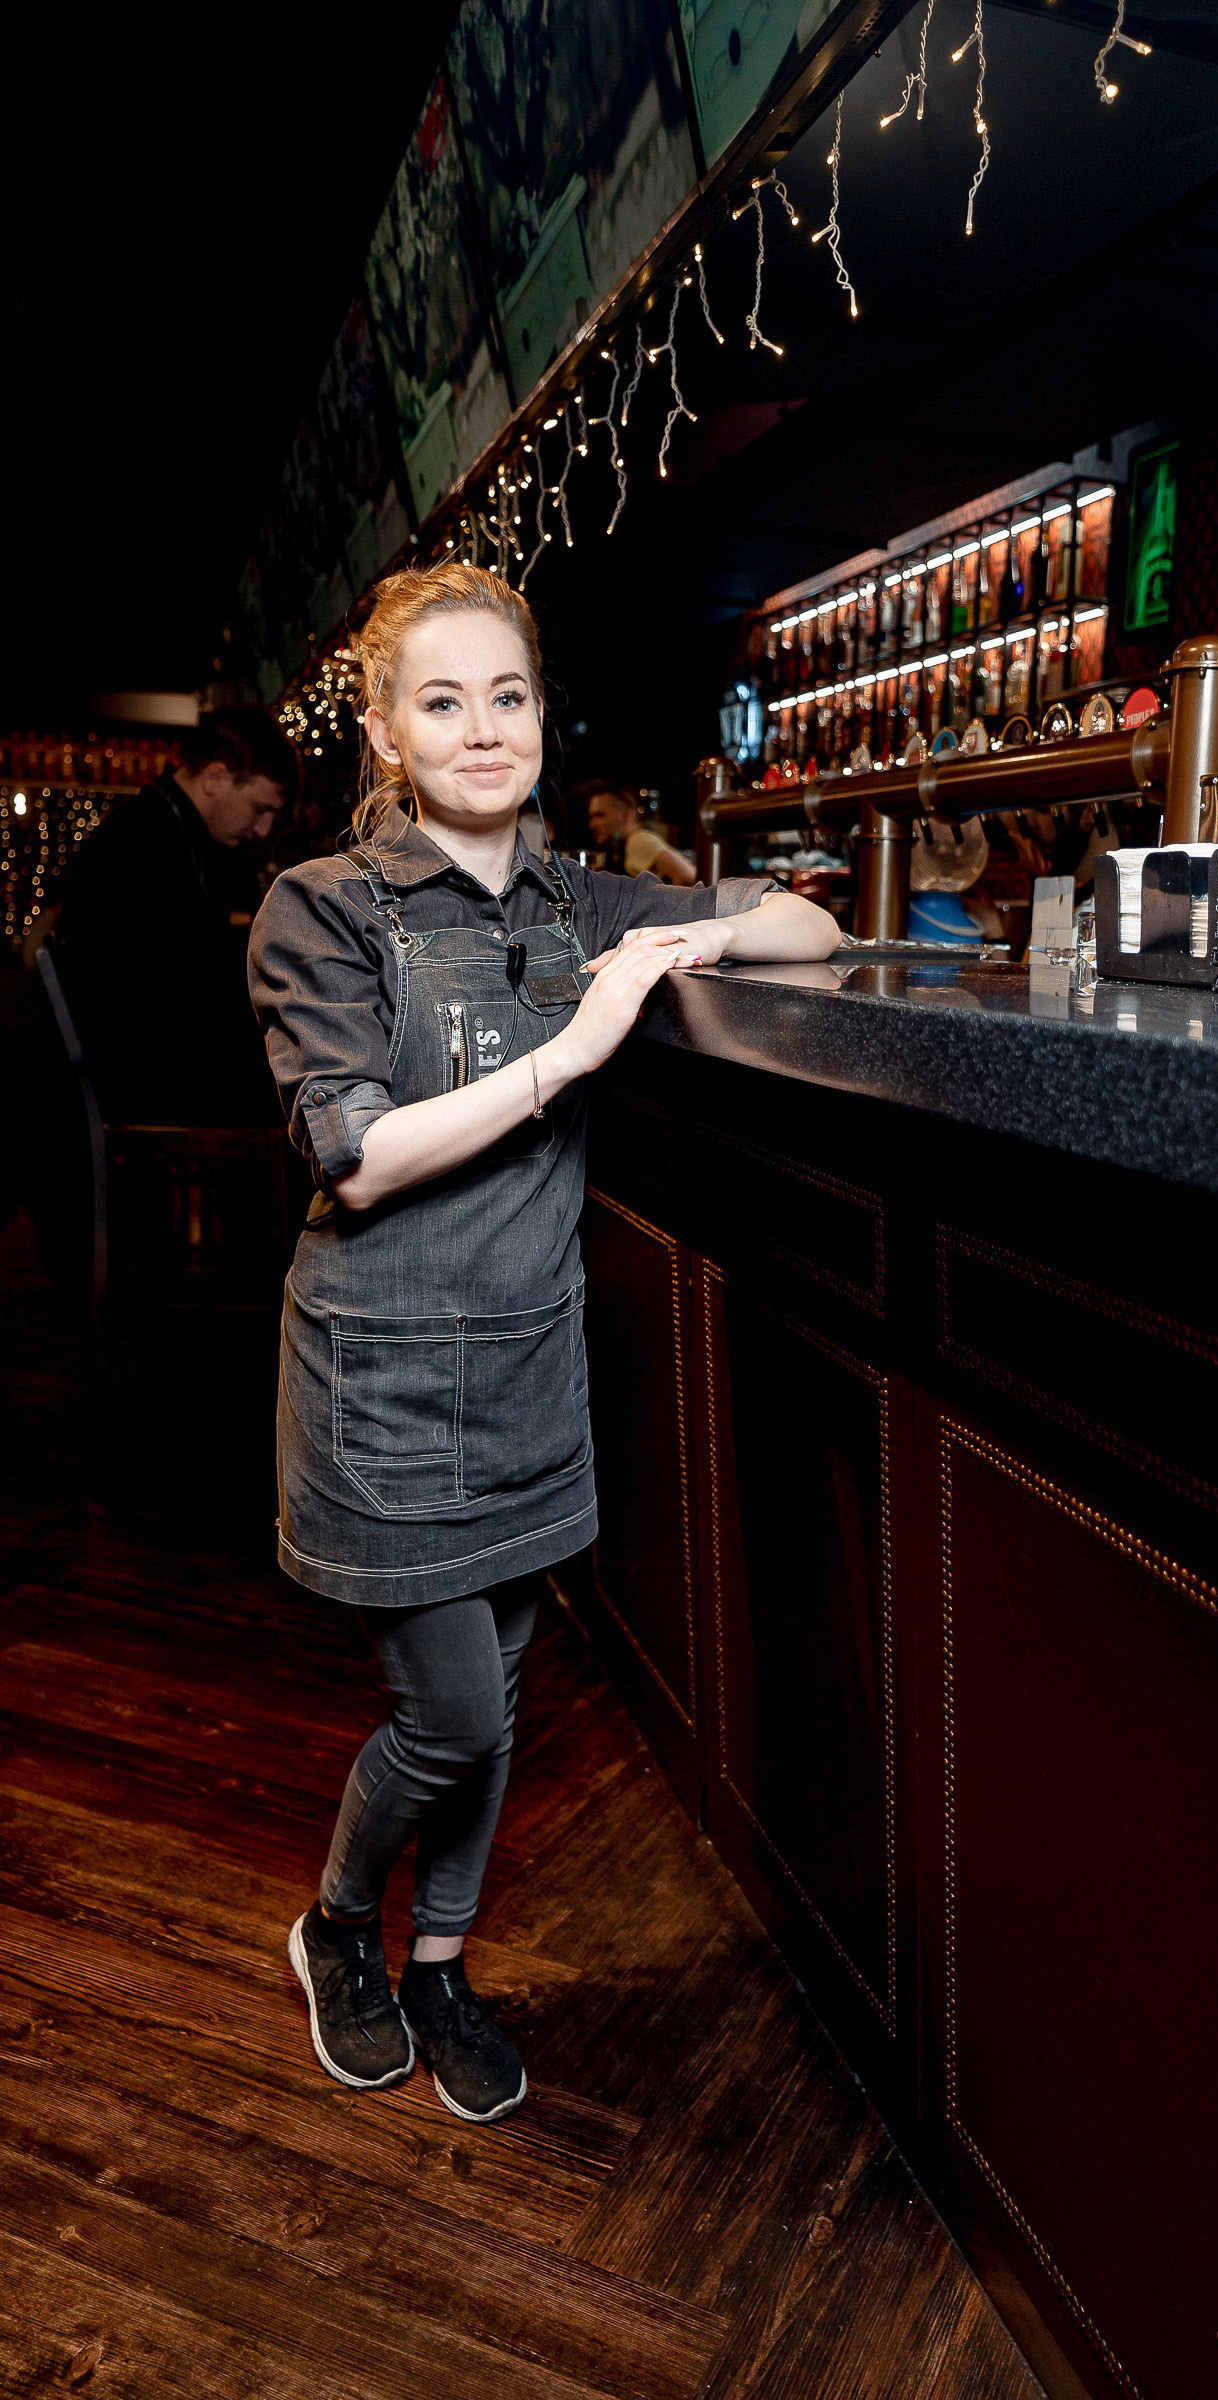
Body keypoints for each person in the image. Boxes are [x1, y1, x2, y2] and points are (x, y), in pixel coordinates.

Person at [247, 563, 839, 2124]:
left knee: (496, 1706)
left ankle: (442, 1962)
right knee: (449, 1715)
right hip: (384, 1375)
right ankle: (338, 1926)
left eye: (506, 696)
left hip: (525, 1368)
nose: (483, 728)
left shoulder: (580, 900)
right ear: (386, 732)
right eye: (442, 701)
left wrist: (700, 930)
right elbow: (356, 1157)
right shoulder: (323, 906)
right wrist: (577, 1047)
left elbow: (812, 928)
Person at [53, 707, 297, 1124]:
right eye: (260, 809)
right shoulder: (145, 841)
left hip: (142, 1061)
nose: (263, 829)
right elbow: (179, 991)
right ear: (215, 779)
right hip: (142, 1080)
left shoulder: (162, 826)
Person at [577, 776, 696, 884]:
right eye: (591, 817)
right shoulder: (621, 847)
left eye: (600, 815)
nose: (592, 824)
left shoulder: (639, 840)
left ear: (626, 815)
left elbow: (688, 876)